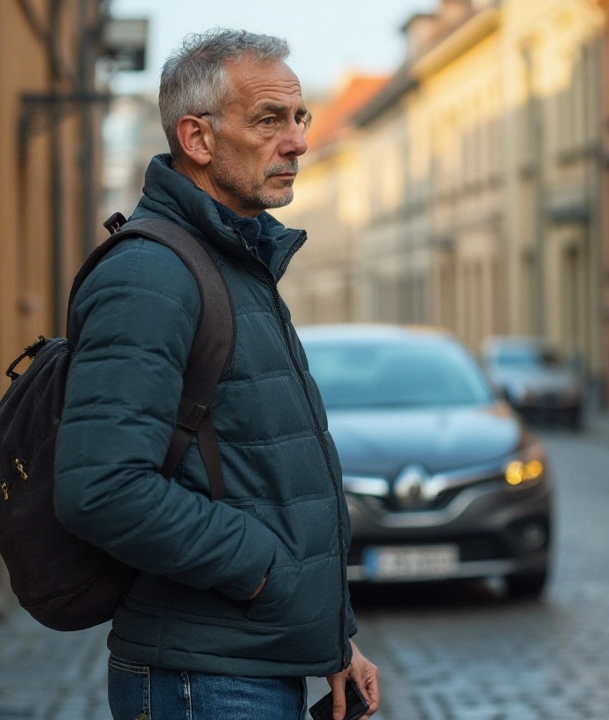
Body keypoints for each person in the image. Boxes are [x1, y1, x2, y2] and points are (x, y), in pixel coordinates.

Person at [53, 29, 380, 720]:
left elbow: (269, 471)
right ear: (197, 139)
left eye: (300, 119)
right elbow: (100, 487)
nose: (296, 142)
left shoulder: (237, 262)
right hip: (203, 680)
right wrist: (265, 570)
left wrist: (333, 639)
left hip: (250, 665)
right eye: (269, 120)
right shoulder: (152, 274)